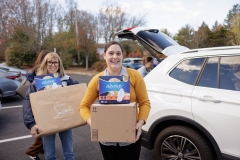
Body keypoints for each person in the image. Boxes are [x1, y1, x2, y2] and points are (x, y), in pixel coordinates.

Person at [79, 41, 151, 160]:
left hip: (131, 136)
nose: (115, 57)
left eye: (118, 53)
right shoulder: (97, 80)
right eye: (111, 53)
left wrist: (140, 123)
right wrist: (94, 123)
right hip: (107, 139)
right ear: (104, 55)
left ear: (123, 55)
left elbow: (145, 103)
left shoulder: (134, 76)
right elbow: (83, 106)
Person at [23, 52, 79, 160]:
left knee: (69, 154)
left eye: (55, 62)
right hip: (46, 121)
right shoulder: (37, 82)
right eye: (50, 62)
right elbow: (27, 101)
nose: (53, 64)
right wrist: (31, 124)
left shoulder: (67, 80)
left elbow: (79, 93)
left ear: (59, 64)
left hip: (64, 118)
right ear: (45, 63)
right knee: (49, 156)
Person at [25, 50, 51, 160]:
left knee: (45, 129)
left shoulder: (37, 71)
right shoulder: (41, 75)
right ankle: (32, 151)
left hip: (40, 105)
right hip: (40, 106)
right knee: (45, 130)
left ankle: (41, 149)